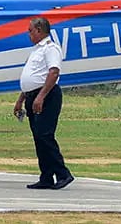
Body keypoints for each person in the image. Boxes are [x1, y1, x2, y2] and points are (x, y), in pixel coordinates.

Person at [14, 16, 75, 190]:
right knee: (38, 138)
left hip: (46, 96)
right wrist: (21, 99)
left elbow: (53, 73)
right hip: (32, 95)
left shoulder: (50, 48)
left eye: (30, 31)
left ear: (39, 30)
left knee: (45, 135)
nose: (28, 34)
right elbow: (31, 78)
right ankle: (46, 176)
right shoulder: (35, 50)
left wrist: (41, 96)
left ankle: (63, 174)